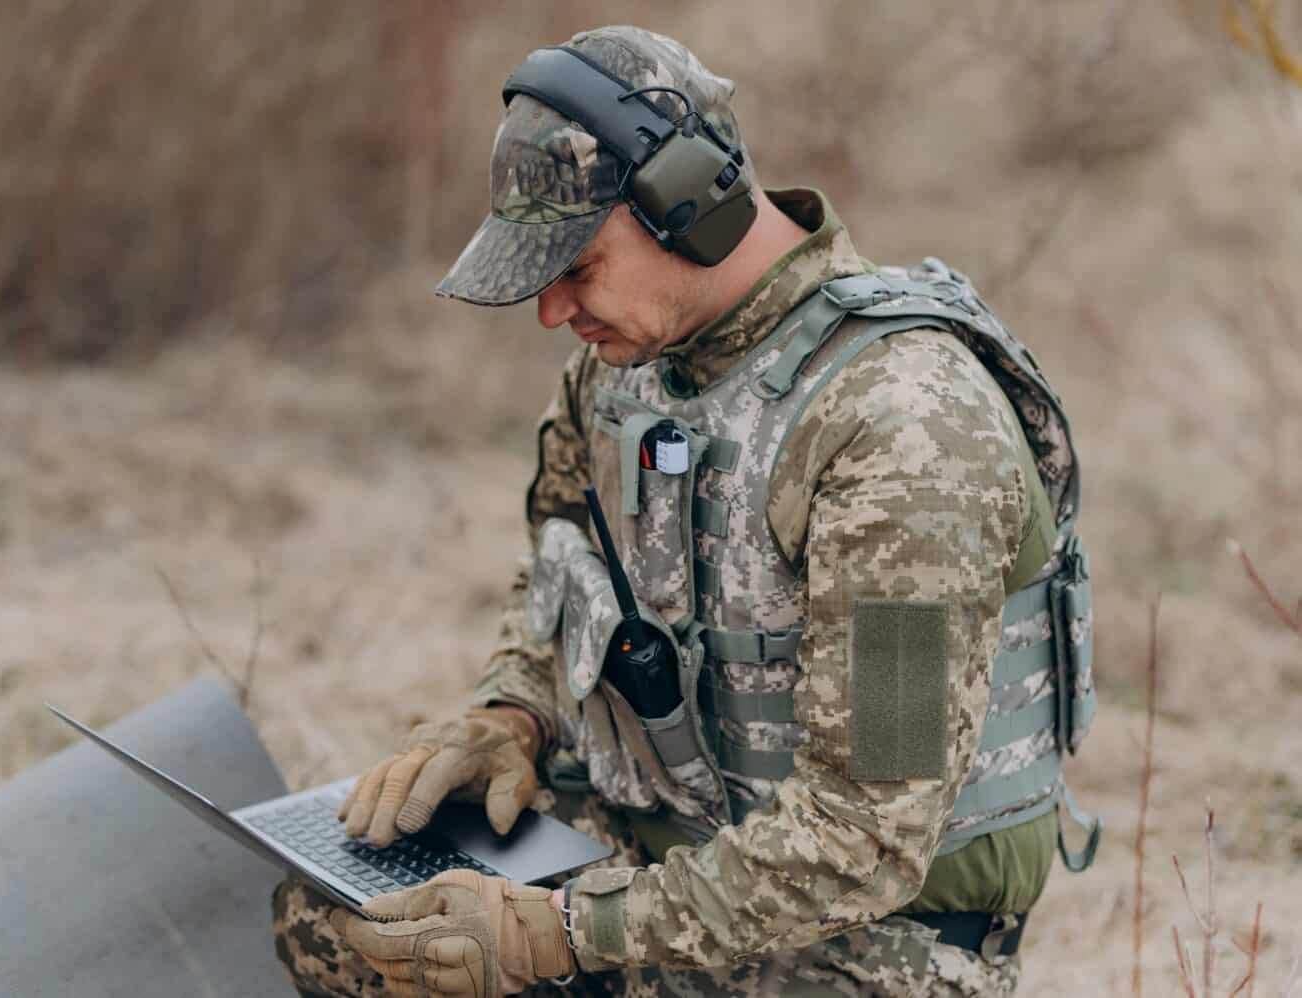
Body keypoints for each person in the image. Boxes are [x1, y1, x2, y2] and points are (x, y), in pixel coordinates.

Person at [273, 24, 1097, 998]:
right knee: (339, 920)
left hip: (871, 934)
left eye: (577, 264)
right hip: (658, 861)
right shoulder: (621, 376)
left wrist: (561, 932)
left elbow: (866, 836)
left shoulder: (904, 429)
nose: (552, 310)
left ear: (689, 207)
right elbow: (563, 578)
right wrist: (512, 714)